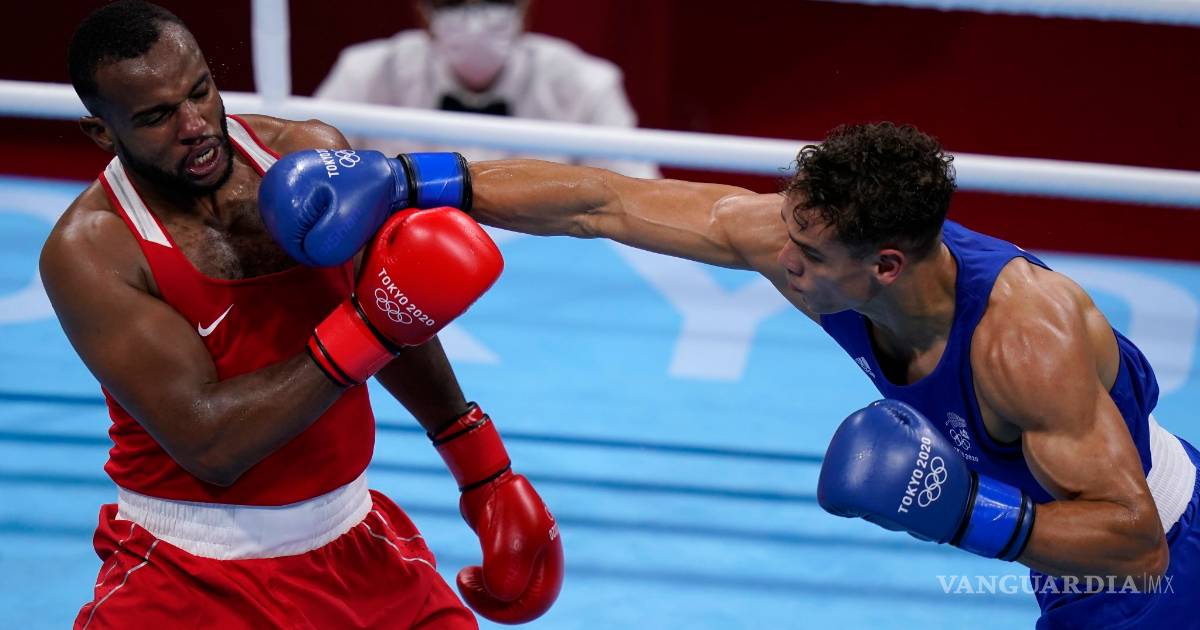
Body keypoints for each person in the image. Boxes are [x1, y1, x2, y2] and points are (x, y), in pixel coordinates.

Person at [260, 123, 1199, 628]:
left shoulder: (1025, 340)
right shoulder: (811, 246)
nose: (779, 262)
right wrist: (419, 179)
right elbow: (603, 203)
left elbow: (1133, 547)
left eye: (806, 255)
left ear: (886, 266)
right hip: (1070, 538)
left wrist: (962, 515)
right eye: (788, 229)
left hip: (1151, 563)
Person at [44, 2, 562, 628]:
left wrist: (482, 468)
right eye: (156, 117)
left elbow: (392, 306)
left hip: (351, 542)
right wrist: (369, 327)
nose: (195, 126)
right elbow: (211, 442)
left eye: (200, 91)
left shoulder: (307, 155)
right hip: (188, 569)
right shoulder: (94, 249)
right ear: (102, 132)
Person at [314, 0, 660, 179]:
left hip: (550, 271)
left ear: (526, 7)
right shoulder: (366, 73)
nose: (475, 21)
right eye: (453, 2)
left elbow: (635, 192)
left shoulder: (586, 83)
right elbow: (307, 173)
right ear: (422, 10)